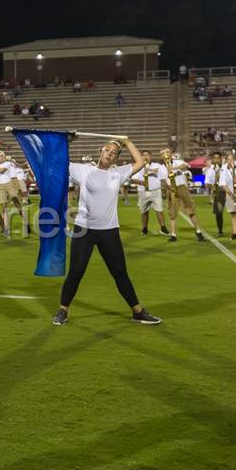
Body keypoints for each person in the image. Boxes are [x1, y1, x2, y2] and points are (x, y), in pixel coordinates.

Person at [53, 136, 161, 327]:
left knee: (120, 273)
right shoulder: (83, 170)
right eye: (107, 150)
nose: (110, 154)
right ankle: (63, 310)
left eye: (114, 153)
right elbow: (57, 160)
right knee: (76, 272)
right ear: (101, 151)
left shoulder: (118, 173)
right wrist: (69, 140)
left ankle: (138, 312)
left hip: (109, 231)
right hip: (84, 230)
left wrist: (127, 142)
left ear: (117, 158)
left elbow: (141, 162)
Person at [163, 149, 205, 242]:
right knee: (172, 213)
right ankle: (173, 235)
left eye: (167, 152)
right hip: (171, 189)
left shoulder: (177, 162)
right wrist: (167, 190)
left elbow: (185, 165)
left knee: (190, 210)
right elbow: (163, 180)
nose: (165, 154)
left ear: (171, 154)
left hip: (182, 187)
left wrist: (172, 169)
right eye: (163, 153)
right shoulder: (162, 167)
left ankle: (198, 232)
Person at [131, 150, 168, 236]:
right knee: (144, 211)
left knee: (159, 210)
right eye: (143, 155)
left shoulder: (157, 165)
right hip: (143, 191)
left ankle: (163, 227)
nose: (145, 157)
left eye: (147, 155)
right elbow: (133, 179)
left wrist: (164, 190)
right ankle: (144, 228)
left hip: (156, 190)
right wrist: (142, 183)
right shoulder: (138, 166)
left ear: (151, 156)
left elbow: (163, 178)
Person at [203, 152, 225, 236]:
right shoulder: (210, 170)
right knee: (219, 212)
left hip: (228, 190)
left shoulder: (225, 167)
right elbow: (207, 182)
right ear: (212, 159)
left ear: (220, 159)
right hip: (218, 191)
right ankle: (220, 230)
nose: (216, 159)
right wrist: (214, 188)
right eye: (214, 158)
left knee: (235, 211)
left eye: (218, 158)